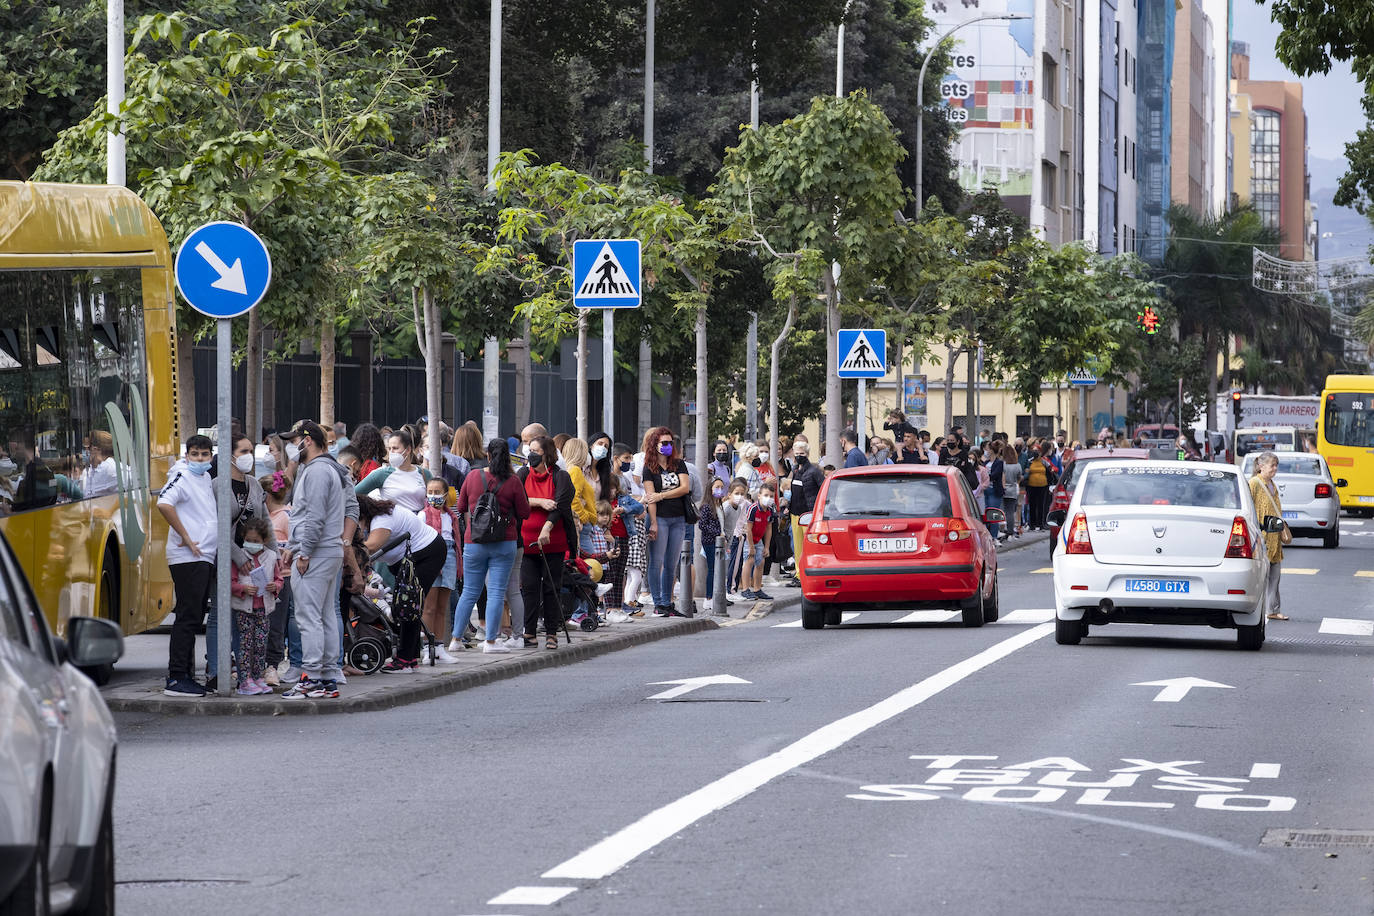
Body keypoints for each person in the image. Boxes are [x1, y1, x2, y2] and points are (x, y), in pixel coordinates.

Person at [280, 420, 348, 699]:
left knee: (309, 617)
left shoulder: (317, 471)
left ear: (307, 441)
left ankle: (313, 678)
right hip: (327, 550)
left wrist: (303, 551)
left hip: (317, 552)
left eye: (294, 441)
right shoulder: (329, 468)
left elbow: (314, 516)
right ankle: (328, 675)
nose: (291, 446)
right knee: (325, 615)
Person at [449, 439, 529, 654]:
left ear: (488, 455)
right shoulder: (513, 481)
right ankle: (491, 643)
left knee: (469, 592)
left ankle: (455, 639)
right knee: (495, 593)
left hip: (474, 542)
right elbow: (524, 513)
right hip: (505, 542)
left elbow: (460, 506)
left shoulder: (474, 476)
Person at [355, 494, 446, 671]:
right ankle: (409, 658)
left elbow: (371, 546)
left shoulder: (381, 519)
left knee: (408, 604)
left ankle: (405, 660)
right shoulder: (378, 515)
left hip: (426, 554)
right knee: (404, 605)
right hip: (409, 559)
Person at [158, 435, 218, 697]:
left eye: (204, 454)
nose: (200, 459)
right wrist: (184, 536)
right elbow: (164, 503)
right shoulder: (182, 476)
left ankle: (183, 675)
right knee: (187, 617)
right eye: (195, 454)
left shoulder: (203, 478)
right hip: (189, 557)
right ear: (186, 456)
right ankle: (177, 677)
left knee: (193, 617)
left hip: (202, 555)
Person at [518, 435, 576, 648]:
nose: (531, 454)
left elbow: (560, 505)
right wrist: (540, 502)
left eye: (536, 451)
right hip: (527, 542)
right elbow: (518, 498)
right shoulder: (523, 473)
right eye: (529, 450)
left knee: (552, 587)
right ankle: (529, 631)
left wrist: (546, 528)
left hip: (553, 541)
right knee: (530, 588)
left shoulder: (560, 477)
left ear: (547, 454)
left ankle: (551, 632)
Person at [640, 426, 692, 617]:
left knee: (672, 563)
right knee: (657, 561)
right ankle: (658, 603)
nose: (668, 446)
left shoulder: (679, 464)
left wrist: (661, 496)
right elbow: (649, 497)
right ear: (655, 444)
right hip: (659, 519)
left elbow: (684, 488)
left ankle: (668, 602)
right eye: (664, 443)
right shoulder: (648, 469)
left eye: (671, 443)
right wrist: (652, 522)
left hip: (678, 518)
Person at [229, 516, 283, 695]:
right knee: (245, 645)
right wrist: (243, 588)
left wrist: (275, 586)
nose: (251, 544)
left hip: (264, 609)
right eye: (248, 541)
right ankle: (245, 680)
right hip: (244, 609)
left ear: (265, 540)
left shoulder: (271, 556)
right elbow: (230, 582)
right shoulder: (239, 557)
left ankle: (258, 677)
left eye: (256, 541)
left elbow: (279, 578)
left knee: (261, 645)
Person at [418, 477, 461, 662]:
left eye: (437, 492)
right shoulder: (423, 515)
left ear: (445, 495)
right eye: (430, 492)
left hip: (450, 556)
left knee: (442, 607)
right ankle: (427, 648)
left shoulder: (451, 517)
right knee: (429, 606)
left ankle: (439, 647)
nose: (433, 496)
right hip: (431, 558)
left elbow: (456, 541)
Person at [260, 471, 294, 684]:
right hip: (262, 578)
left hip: (282, 578)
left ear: (266, 495)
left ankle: (272, 663)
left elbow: (293, 546)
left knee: (276, 624)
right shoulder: (265, 516)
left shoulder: (286, 516)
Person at [1249, 451, 1288, 621]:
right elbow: (1248, 508)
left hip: (1275, 537)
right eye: (1272, 465)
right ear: (1261, 466)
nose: (1275, 469)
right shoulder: (1254, 483)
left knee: (1275, 577)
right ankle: (1256, 608)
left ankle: (1273, 609)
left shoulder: (1272, 484)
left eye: (1276, 465)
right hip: (1261, 537)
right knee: (1260, 578)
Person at [356, 428, 430, 511]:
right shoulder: (382, 474)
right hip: (392, 521)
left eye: (395, 448)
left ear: (408, 449)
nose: (391, 452)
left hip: (418, 522)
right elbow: (354, 494)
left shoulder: (424, 474)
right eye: (389, 448)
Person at [613, 445, 649, 615]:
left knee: (623, 572)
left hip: (630, 529)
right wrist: (636, 506)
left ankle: (624, 604)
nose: (629, 463)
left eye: (630, 459)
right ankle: (623, 603)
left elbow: (632, 503)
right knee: (624, 572)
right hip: (617, 527)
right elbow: (628, 504)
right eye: (626, 459)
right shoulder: (612, 478)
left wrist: (636, 506)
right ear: (616, 458)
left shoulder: (625, 479)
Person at [738, 481, 777, 600]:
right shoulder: (753, 509)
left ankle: (757, 589)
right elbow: (748, 529)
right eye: (766, 495)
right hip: (748, 539)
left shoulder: (770, 510)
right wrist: (751, 547)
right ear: (759, 496)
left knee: (761, 563)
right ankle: (745, 589)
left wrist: (766, 547)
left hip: (759, 540)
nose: (768, 498)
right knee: (749, 561)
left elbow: (769, 528)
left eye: (771, 496)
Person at [788, 440, 824, 567]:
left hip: (808, 513)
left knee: (808, 545)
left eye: (802, 453)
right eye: (796, 453)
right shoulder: (795, 470)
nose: (799, 456)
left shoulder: (814, 471)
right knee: (797, 547)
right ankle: (798, 573)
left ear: (807, 454)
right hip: (794, 513)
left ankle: (808, 569)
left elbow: (823, 489)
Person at [561, 437, 599, 549]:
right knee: (589, 562)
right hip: (582, 524)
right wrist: (583, 517)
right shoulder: (575, 470)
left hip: (580, 522)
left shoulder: (568, 469)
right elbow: (573, 497)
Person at [698, 478, 726, 613]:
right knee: (713, 570)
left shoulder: (719, 504)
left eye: (721, 487)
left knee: (719, 570)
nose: (719, 490)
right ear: (710, 488)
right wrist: (717, 534)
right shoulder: (706, 506)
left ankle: (716, 596)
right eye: (717, 487)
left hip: (720, 542)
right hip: (710, 541)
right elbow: (702, 524)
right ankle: (708, 598)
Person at [722, 478, 749, 594]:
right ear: (729, 494)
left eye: (742, 494)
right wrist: (737, 534)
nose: (740, 496)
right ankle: (730, 590)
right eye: (737, 493)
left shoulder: (742, 504)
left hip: (736, 536)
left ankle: (731, 589)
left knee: (737, 564)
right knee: (733, 564)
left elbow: (741, 520)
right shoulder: (727, 506)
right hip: (732, 537)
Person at [1025, 446, 1054, 530]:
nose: (1035, 453)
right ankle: (1032, 524)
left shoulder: (1044, 461)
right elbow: (1026, 470)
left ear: (1040, 452)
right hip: (1031, 486)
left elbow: (1051, 469)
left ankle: (1040, 524)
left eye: (1037, 451)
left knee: (1041, 505)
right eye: (1034, 451)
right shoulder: (1030, 461)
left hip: (1042, 486)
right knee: (1032, 505)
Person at [986, 441, 1006, 541]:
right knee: (984, 515)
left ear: (992, 450)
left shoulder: (999, 463)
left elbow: (995, 475)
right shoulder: (985, 462)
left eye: (988, 449)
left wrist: (985, 477)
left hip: (994, 491)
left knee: (993, 514)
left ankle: (994, 536)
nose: (986, 451)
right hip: (985, 491)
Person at [587, 431, 614, 500]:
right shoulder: (583, 468)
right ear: (591, 445)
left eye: (606, 446)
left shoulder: (603, 472)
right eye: (600, 443)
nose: (602, 447)